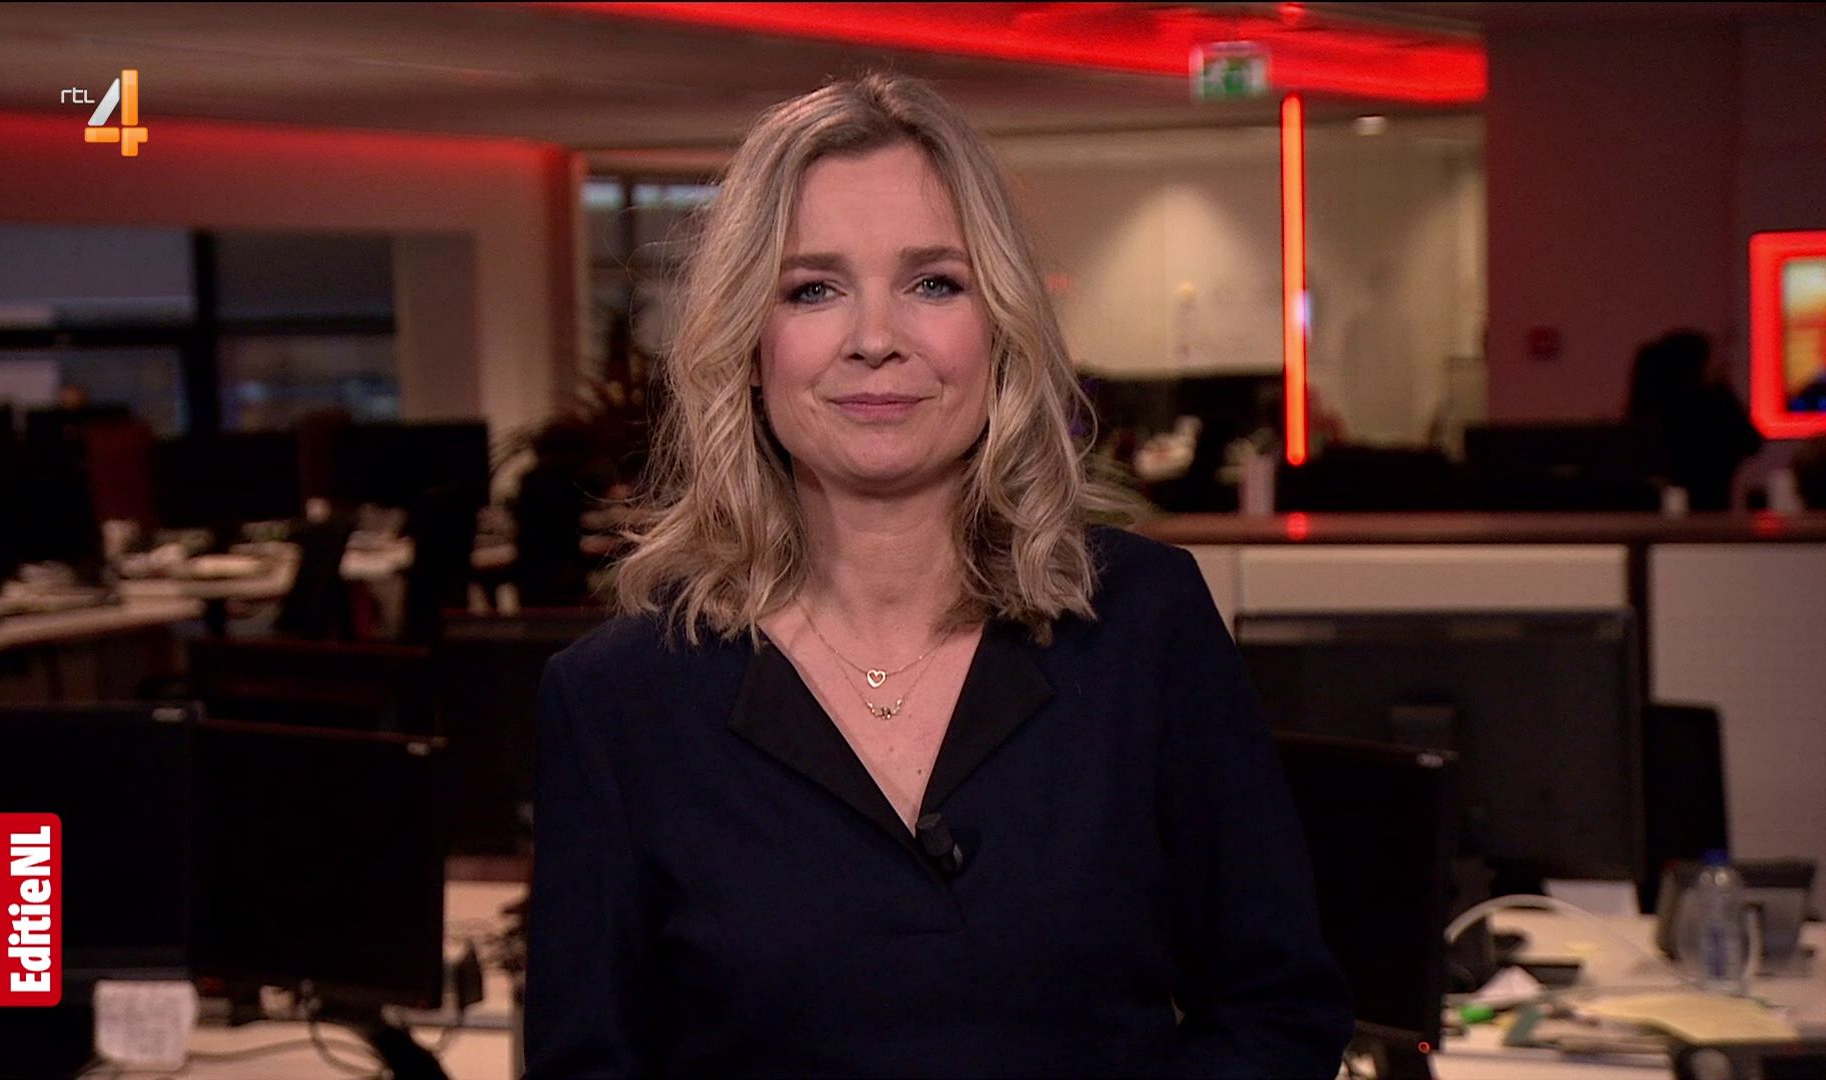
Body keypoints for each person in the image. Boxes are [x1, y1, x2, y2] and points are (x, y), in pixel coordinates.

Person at [524, 72, 1352, 1078]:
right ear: (747, 344)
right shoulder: (619, 700)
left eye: (934, 284)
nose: (876, 340)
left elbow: (1274, 1008)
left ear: (1000, 325)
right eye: (813, 289)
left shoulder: (1146, 624)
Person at [1626, 329, 1763, 511]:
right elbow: (1751, 442)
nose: (1724, 363)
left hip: (1660, 519)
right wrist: (1724, 391)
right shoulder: (1713, 410)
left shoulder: (1654, 410)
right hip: (1710, 516)